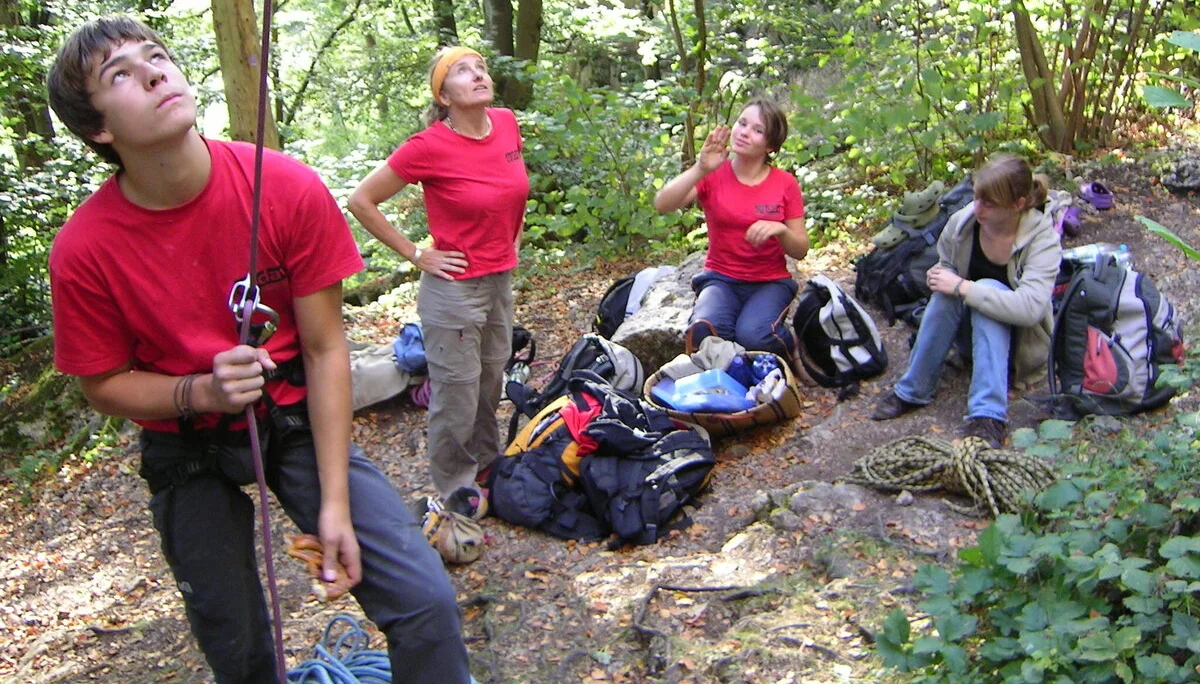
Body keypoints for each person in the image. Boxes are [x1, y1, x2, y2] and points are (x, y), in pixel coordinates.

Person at [46, 16, 470, 683]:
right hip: (184, 438)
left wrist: (334, 505)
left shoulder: (285, 188)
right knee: (236, 641)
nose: (154, 71)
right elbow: (103, 383)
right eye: (120, 74)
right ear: (98, 129)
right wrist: (199, 392)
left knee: (424, 600)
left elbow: (329, 351)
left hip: (294, 409)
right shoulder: (85, 250)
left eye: (156, 55)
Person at [348, 46, 529, 513]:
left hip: (499, 280)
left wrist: (512, 240)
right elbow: (362, 200)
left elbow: (513, 188)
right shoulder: (428, 146)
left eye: (480, 67)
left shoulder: (507, 123)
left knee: (492, 380)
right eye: (461, 71)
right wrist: (416, 254)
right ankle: (456, 486)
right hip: (453, 290)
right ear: (444, 96)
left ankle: (487, 463)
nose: (477, 75)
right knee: (457, 392)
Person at [870, 154, 1062, 448]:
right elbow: (946, 265)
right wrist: (941, 276)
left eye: (989, 203)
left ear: (1018, 205)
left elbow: (1030, 308)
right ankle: (912, 390)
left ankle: (988, 416)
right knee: (948, 295)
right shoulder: (963, 223)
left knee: (984, 288)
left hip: (1020, 348)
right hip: (970, 337)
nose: (977, 208)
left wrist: (963, 286)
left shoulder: (1042, 240)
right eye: (976, 198)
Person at [653, 96, 809, 361]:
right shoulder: (713, 173)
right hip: (720, 279)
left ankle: (792, 348)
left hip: (769, 282)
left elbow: (800, 250)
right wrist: (700, 167)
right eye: (742, 123)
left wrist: (780, 230)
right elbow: (662, 204)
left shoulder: (785, 183)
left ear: (770, 145)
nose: (745, 133)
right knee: (707, 332)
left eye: (757, 130)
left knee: (753, 336)